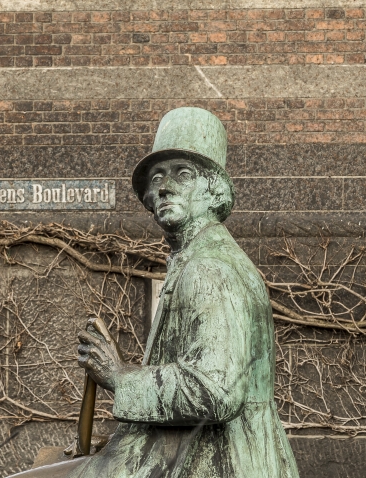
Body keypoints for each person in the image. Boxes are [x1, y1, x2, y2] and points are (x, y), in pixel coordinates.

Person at [68, 107, 299, 477]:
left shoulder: (208, 268)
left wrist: (119, 376)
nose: (163, 187)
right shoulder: (202, 259)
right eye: (157, 177)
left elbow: (215, 392)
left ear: (213, 190)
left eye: (183, 174)